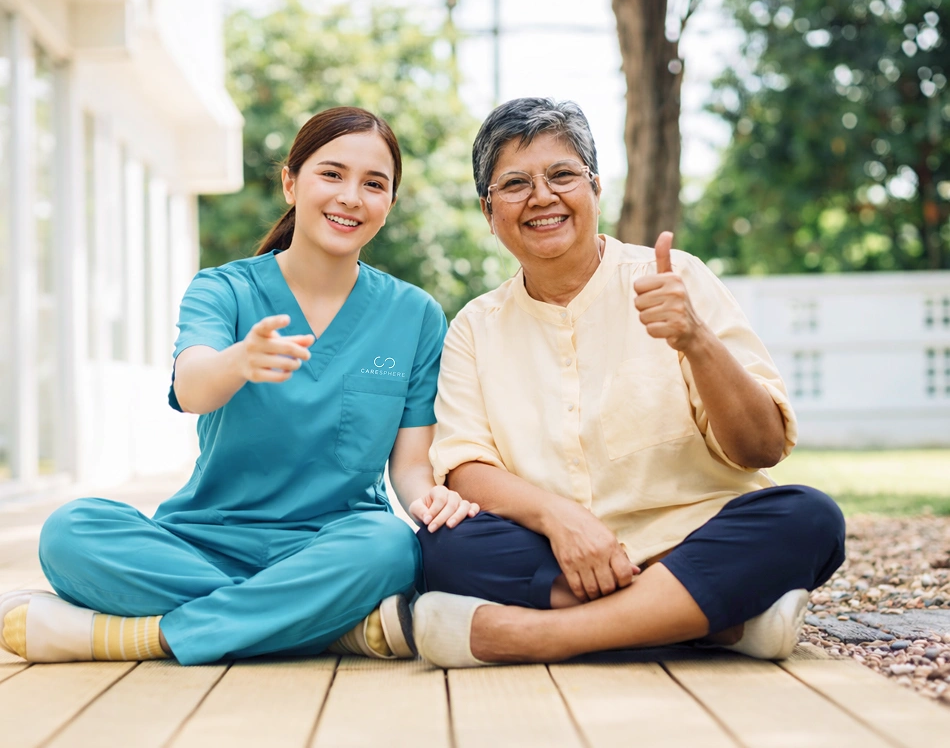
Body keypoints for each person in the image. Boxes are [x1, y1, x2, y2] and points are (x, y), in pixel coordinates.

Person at [0, 106, 477, 666]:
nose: (351, 196)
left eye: (374, 184)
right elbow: (193, 387)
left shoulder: (415, 314)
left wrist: (430, 499)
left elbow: (409, 465)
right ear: (291, 181)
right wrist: (239, 362)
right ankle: (331, 628)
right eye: (332, 173)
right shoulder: (222, 290)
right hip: (202, 541)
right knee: (69, 531)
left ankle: (141, 637)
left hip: (332, 546)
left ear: (389, 205)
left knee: (393, 546)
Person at [411, 97, 845, 668]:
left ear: (594, 189)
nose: (542, 197)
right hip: (557, 551)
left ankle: (532, 636)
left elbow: (760, 447)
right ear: (490, 212)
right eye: (515, 184)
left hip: (694, 536)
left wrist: (696, 339)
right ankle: (715, 624)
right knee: (441, 547)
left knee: (809, 520)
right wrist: (561, 520)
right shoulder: (475, 325)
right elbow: (468, 466)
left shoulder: (675, 278)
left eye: (562, 175)